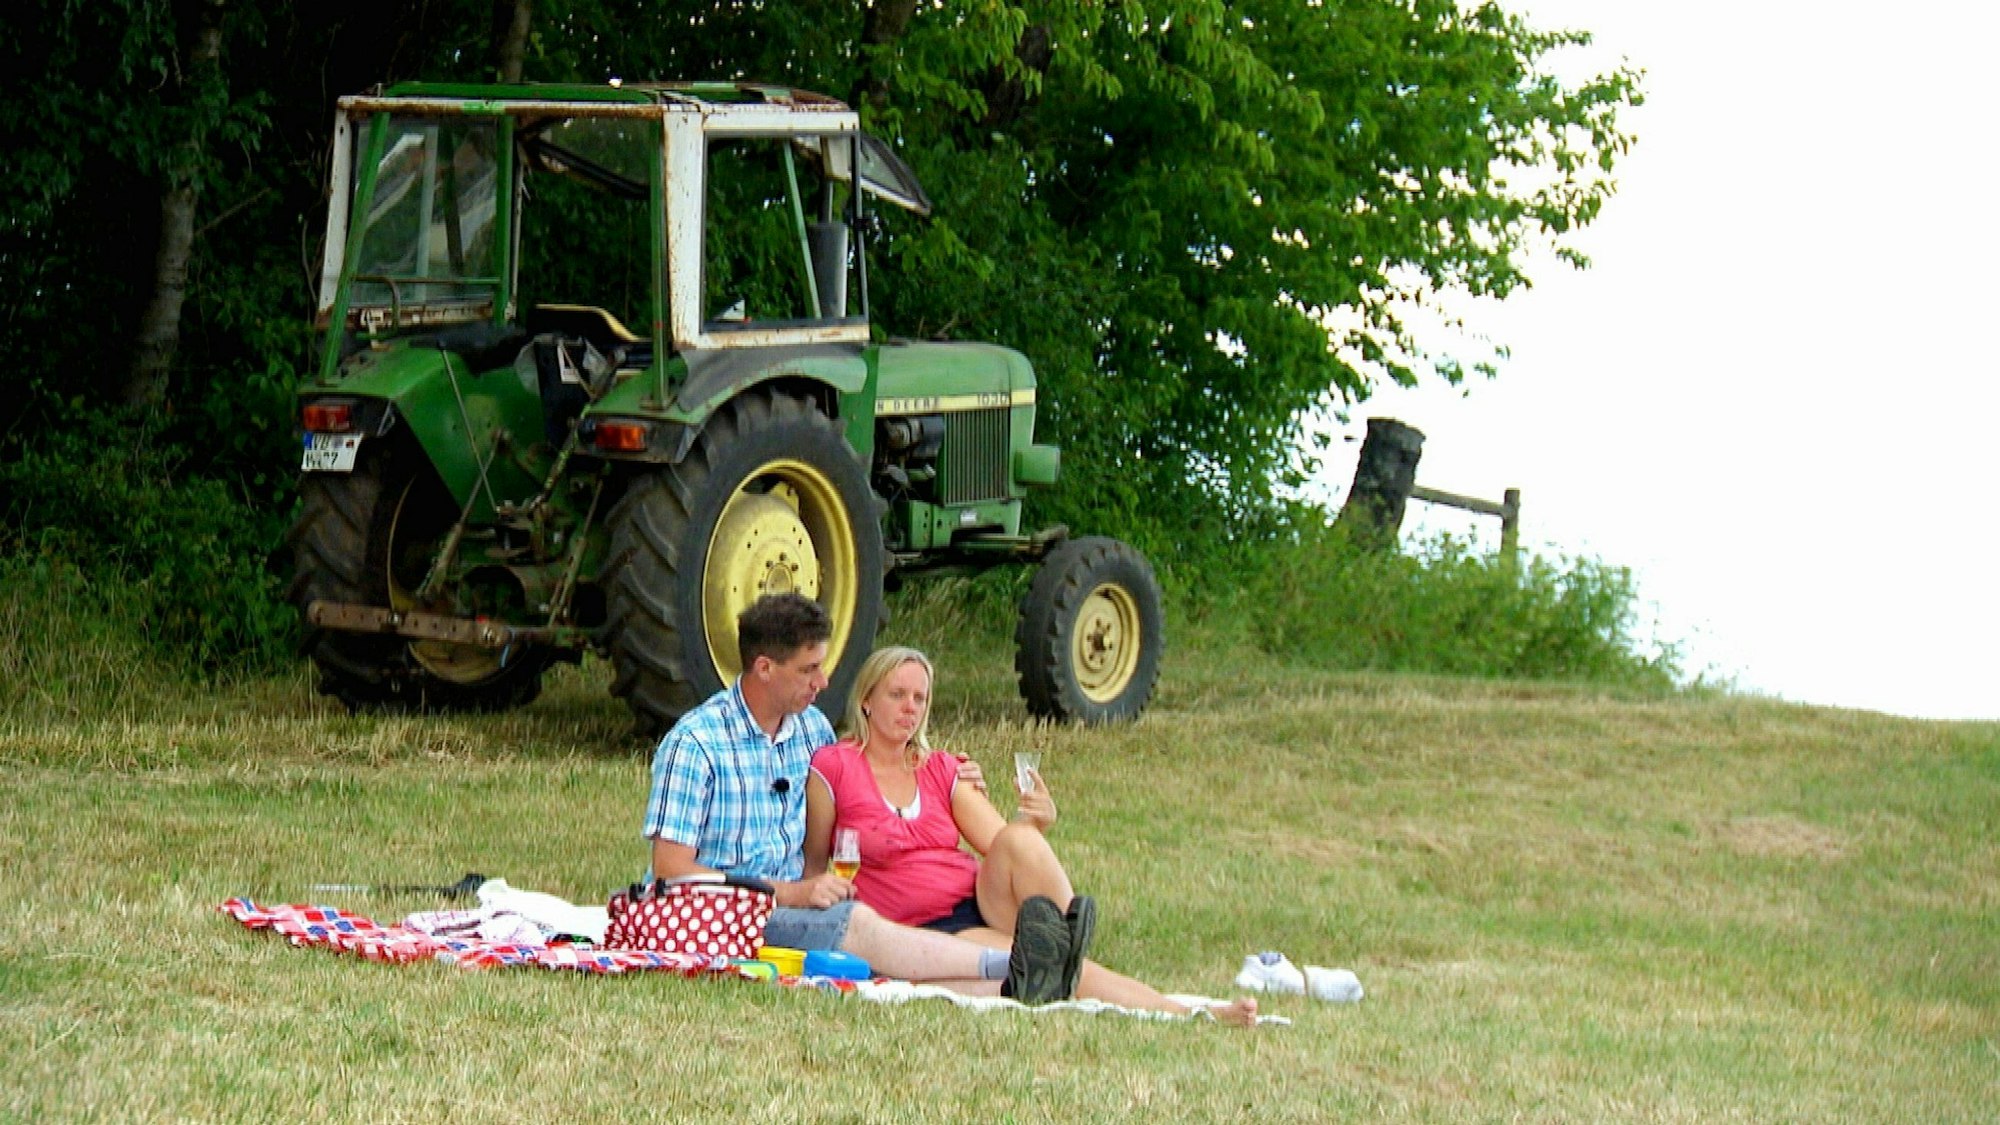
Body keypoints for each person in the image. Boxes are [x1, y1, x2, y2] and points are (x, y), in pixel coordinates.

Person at [642, 593, 1088, 1004]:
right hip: (719, 911)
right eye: (808, 669)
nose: (823, 680)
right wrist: (794, 892)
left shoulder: (811, 730)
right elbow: (671, 868)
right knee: (855, 924)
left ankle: (1019, 984)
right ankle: (1012, 964)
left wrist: (948, 771)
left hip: (797, 905)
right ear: (764, 668)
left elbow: (864, 772)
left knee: (875, 945)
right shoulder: (696, 743)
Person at [803, 646, 1259, 1027]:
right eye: (897, 695)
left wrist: (1037, 823)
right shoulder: (835, 766)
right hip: (918, 928)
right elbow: (816, 862)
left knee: (1022, 841)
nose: (910, 708)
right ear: (866, 699)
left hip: (975, 901)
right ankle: (1191, 1013)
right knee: (1068, 974)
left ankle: (1064, 933)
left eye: (920, 698)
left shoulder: (941, 767)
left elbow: (1003, 842)